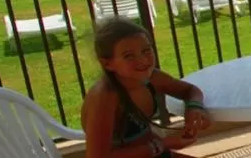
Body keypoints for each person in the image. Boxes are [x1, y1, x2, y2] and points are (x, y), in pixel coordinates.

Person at [82, 18, 211, 158]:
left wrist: (194, 107)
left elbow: (190, 91)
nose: (143, 60)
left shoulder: (152, 78)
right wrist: (162, 145)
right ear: (107, 64)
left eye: (146, 50)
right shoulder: (105, 97)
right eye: (129, 56)